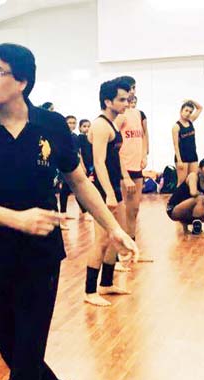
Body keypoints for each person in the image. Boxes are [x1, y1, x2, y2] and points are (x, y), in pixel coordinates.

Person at [0, 43, 138, 380]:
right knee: (15, 350)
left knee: (30, 346)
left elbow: (80, 181)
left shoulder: (52, 126)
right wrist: (18, 219)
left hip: (40, 256)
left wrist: (115, 228)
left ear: (22, 81)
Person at [85, 79, 134, 307]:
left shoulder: (113, 124)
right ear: (107, 101)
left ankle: (106, 283)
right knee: (102, 240)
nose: (127, 102)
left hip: (113, 186)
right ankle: (89, 291)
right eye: (122, 99)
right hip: (103, 191)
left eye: (127, 98)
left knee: (115, 237)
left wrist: (122, 181)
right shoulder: (100, 125)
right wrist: (108, 194)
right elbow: (99, 162)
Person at [115, 76, 150, 255]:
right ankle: (121, 250)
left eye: (134, 88)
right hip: (123, 169)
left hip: (137, 167)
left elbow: (143, 135)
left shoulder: (137, 113)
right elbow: (113, 146)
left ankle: (131, 243)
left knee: (134, 208)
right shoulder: (120, 116)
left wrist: (144, 155)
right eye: (129, 88)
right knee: (123, 209)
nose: (132, 91)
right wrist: (125, 175)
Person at [166, 158, 204, 234]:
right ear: (199, 169)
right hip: (173, 209)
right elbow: (193, 192)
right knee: (200, 198)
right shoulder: (193, 176)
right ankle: (196, 228)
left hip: (186, 209)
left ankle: (190, 226)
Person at [56, 115, 79, 228]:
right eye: (69, 123)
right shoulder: (61, 136)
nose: (72, 125)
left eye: (74, 123)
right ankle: (61, 216)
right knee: (64, 190)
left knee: (71, 190)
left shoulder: (75, 137)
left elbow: (77, 153)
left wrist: (82, 166)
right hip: (63, 168)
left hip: (73, 166)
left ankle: (64, 214)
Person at [173, 100, 202, 185]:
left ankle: (189, 198)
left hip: (193, 155)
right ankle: (177, 198)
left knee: (193, 180)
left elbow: (200, 108)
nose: (188, 113)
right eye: (186, 110)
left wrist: (191, 100)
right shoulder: (176, 127)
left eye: (190, 111)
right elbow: (175, 145)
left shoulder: (190, 121)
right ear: (181, 111)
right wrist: (179, 161)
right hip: (182, 157)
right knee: (182, 183)